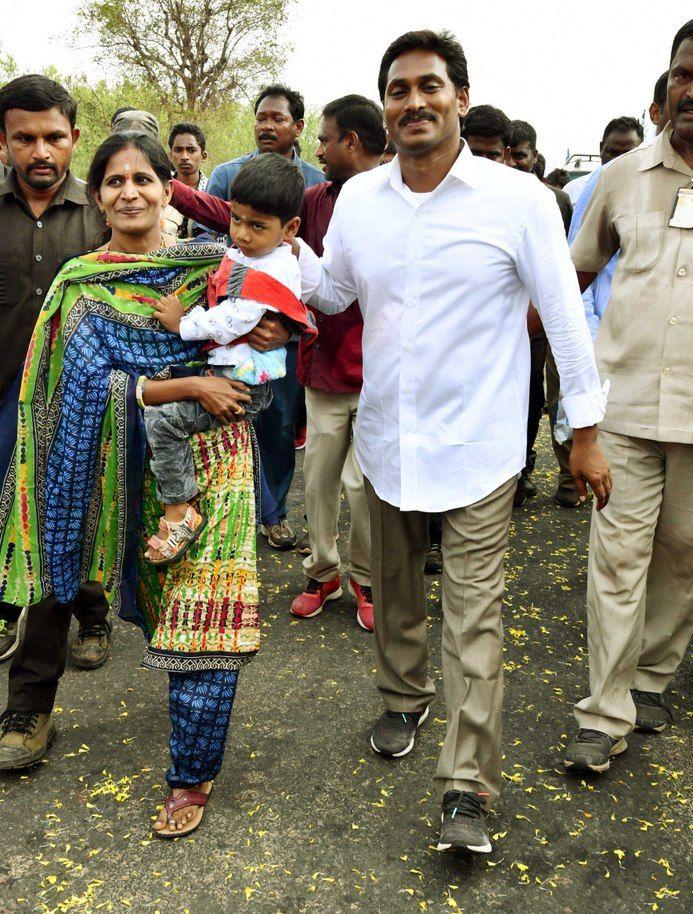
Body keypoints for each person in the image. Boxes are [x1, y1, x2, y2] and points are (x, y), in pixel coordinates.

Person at [295, 29, 610, 854]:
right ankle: (403, 696)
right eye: (396, 90)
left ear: (459, 100)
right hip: (388, 444)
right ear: (386, 108)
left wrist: (583, 433)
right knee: (396, 595)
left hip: (478, 452)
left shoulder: (516, 200)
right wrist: (272, 257)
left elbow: (566, 320)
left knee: (473, 622)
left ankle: (465, 787)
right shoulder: (361, 200)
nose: (412, 102)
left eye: (428, 86)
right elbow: (332, 292)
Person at [0, 130, 269, 838]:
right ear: (97, 197)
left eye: (143, 179)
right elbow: (75, 388)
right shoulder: (82, 287)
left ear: (166, 189)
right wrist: (185, 383)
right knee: (159, 605)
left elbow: (268, 336)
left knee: (206, 620)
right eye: (114, 182)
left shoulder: (216, 265)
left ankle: (192, 775)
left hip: (219, 459)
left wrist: (258, 347)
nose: (129, 192)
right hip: (127, 470)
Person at [563, 20, 693, 773]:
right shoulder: (620, 177)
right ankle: (602, 714)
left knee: (681, 555)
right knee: (615, 559)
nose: (690, 89)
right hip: (625, 413)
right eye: (682, 72)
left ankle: (650, 677)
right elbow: (572, 277)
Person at [142, 154, 314, 566]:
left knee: (161, 421)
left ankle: (180, 512)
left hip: (243, 386)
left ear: (289, 229)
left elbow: (233, 318)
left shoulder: (270, 270)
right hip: (234, 374)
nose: (242, 233)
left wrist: (182, 324)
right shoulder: (251, 255)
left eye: (257, 226)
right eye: (237, 220)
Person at [0, 75, 111, 675]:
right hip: (5, 398)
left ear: (74, 137)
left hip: (82, 402)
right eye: (24, 138)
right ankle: (11, 604)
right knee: (7, 505)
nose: (39, 152)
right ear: (3, 141)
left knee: (84, 511)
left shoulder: (102, 213)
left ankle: (92, 616)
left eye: (52, 137)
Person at [206, 85, 324, 551]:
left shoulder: (314, 184)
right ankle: (225, 516)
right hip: (229, 330)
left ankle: (272, 512)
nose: (266, 125)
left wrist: (288, 326)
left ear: (298, 127)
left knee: (276, 425)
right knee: (224, 419)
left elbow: (315, 271)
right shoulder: (226, 174)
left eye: (277, 118)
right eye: (261, 117)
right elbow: (211, 251)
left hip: (283, 338)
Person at [288, 95, 385, 632]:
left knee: (364, 485)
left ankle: (366, 581)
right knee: (321, 477)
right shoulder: (311, 199)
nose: (318, 149)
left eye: (325, 139)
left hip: (378, 374)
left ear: (352, 141)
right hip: (324, 368)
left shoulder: (397, 199)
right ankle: (322, 572)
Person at [552, 116, 645, 508]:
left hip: (639, 336)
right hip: (593, 325)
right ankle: (570, 477)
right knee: (578, 411)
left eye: (627, 153)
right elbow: (578, 270)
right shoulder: (583, 190)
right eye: (611, 152)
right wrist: (582, 333)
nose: (617, 161)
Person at [508, 119, 573, 507]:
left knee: (533, 396)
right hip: (498, 325)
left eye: (522, 156)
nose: (514, 163)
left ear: (534, 158)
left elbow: (558, 272)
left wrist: (533, 323)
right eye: (508, 155)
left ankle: (522, 468)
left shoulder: (554, 201)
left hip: (538, 323)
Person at [564, 116, 643, 205]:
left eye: (627, 155)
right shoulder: (574, 191)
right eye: (613, 153)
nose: (618, 161)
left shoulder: (650, 193)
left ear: (642, 153)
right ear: (601, 148)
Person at [167, 122, 208, 239]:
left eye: (191, 150)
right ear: (170, 156)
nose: (184, 156)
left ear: (203, 155)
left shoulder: (213, 190)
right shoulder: (160, 190)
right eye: (178, 150)